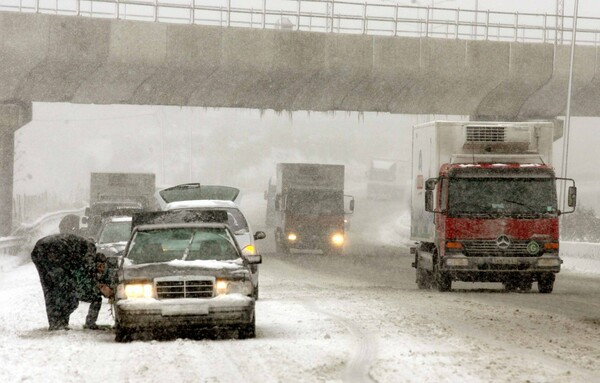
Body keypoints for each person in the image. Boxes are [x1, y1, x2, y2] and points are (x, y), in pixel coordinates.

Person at [30, 215, 98, 331]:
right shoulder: (88, 246)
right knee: (63, 291)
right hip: (54, 252)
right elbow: (88, 267)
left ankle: (55, 322)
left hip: (39, 250)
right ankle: (60, 322)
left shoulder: (76, 241)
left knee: (49, 289)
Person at [74, 252, 114, 330]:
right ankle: (90, 323)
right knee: (96, 299)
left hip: (95, 290)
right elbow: (81, 284)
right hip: (80, 291)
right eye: (99, 265)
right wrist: (97, 288)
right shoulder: (87, 271)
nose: (101, 268)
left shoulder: (107, 272)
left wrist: (109, 290)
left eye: (103, 265)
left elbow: (110, 282)